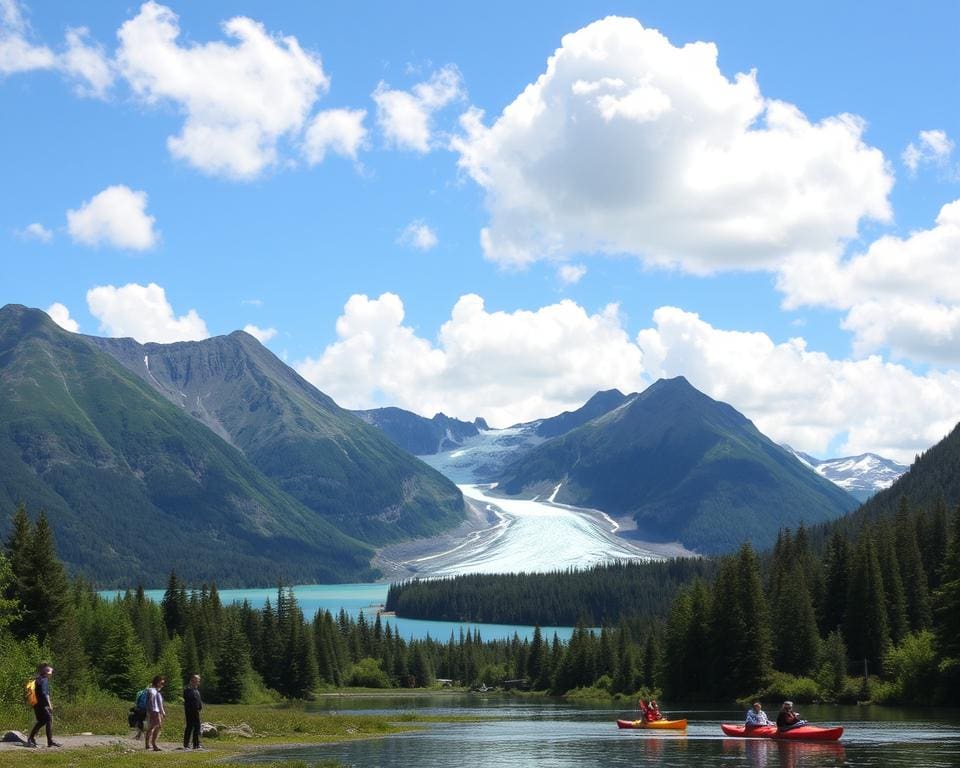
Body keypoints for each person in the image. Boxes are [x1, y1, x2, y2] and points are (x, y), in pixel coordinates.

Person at [27, 663, 60, 748]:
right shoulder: (44, 680)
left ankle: (32, 738)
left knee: (42, 721)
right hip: (42, 704)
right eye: (51, 672)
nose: (52, 674)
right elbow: (45, 694)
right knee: (48, 719)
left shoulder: (38, 679)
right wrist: (50, 705)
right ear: (47, 672)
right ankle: (49, 741)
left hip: (36, 704)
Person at [144, 675, 167, 751]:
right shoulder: (152, 691)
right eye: (162, 683)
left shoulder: (156, 691)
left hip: (156, 711)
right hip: (154, 711)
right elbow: (151, 702)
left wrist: (162, 712)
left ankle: (149, 744)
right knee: (154, 726)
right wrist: (151, 712)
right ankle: (153, 744)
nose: (163, 685)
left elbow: (159, 704)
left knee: (154, 727)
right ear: (157, 683)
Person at [182, 674, 203, 750]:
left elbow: (198, 700)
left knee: (197, 727)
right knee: (189, 727)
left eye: (198, 680)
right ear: (192, 680)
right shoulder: (187, 690)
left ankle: (196, 744)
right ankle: (186, 744)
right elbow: (187, 701)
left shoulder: (196, 690)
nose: (197, 681)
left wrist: (200, 707)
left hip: (196, 711)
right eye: (196, 680)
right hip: (190, 711)